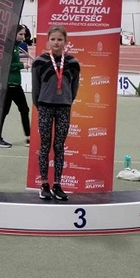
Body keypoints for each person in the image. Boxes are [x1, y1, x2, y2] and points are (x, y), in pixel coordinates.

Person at [31, 25, 80, 202]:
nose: (56, 42)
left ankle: (57, 185)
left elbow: (74, 88)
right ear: (48, 41)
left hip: (64, 107)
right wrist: (40, 104)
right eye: (53, 39)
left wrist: (66, 100)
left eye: (60, 39)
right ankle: (44, 184)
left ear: (65, 41)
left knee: (59, 146)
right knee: (45, 145)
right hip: (44, 106)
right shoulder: (39, 61)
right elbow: (35, 88)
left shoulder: (73, 62)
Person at [0, 25, 32, 149]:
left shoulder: (17, 46)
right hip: (8, 86)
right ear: (14, 34)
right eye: (21, 34)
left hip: (16, 85)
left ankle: (29, 137)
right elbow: (5, 65)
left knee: (24, 110)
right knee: (4, 112)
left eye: (24, 34)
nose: (23, 37)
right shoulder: (7, 47)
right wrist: (22, 65)